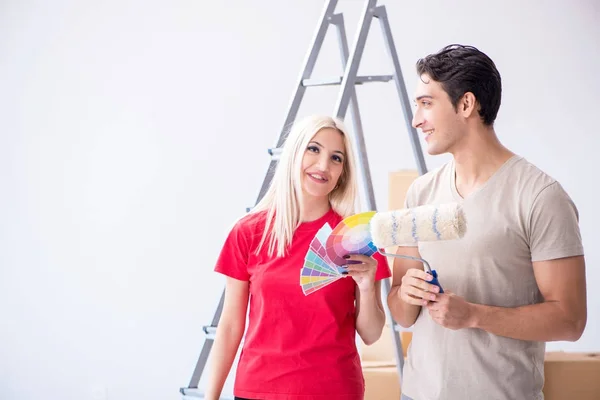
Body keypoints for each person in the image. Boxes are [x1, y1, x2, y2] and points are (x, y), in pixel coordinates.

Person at [387, 44, 587, 400]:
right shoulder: (420, 193)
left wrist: (474, 316)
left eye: (426, 103)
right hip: (417, 394)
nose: (416, 119)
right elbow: (402, 314)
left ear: (466, 105)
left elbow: (570, 321)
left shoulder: (540, 196)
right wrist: (406, 293)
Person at [205, 115, 392, 400]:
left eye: (336, 158)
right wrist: (211, 396)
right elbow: (230, 326)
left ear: (343, 172)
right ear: (294, 153)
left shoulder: (358, 236)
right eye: (313, 149)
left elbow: (371, 333)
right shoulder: (248, 232)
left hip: (333, 391)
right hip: (258, 390)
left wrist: (366, 288)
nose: (323, 166)